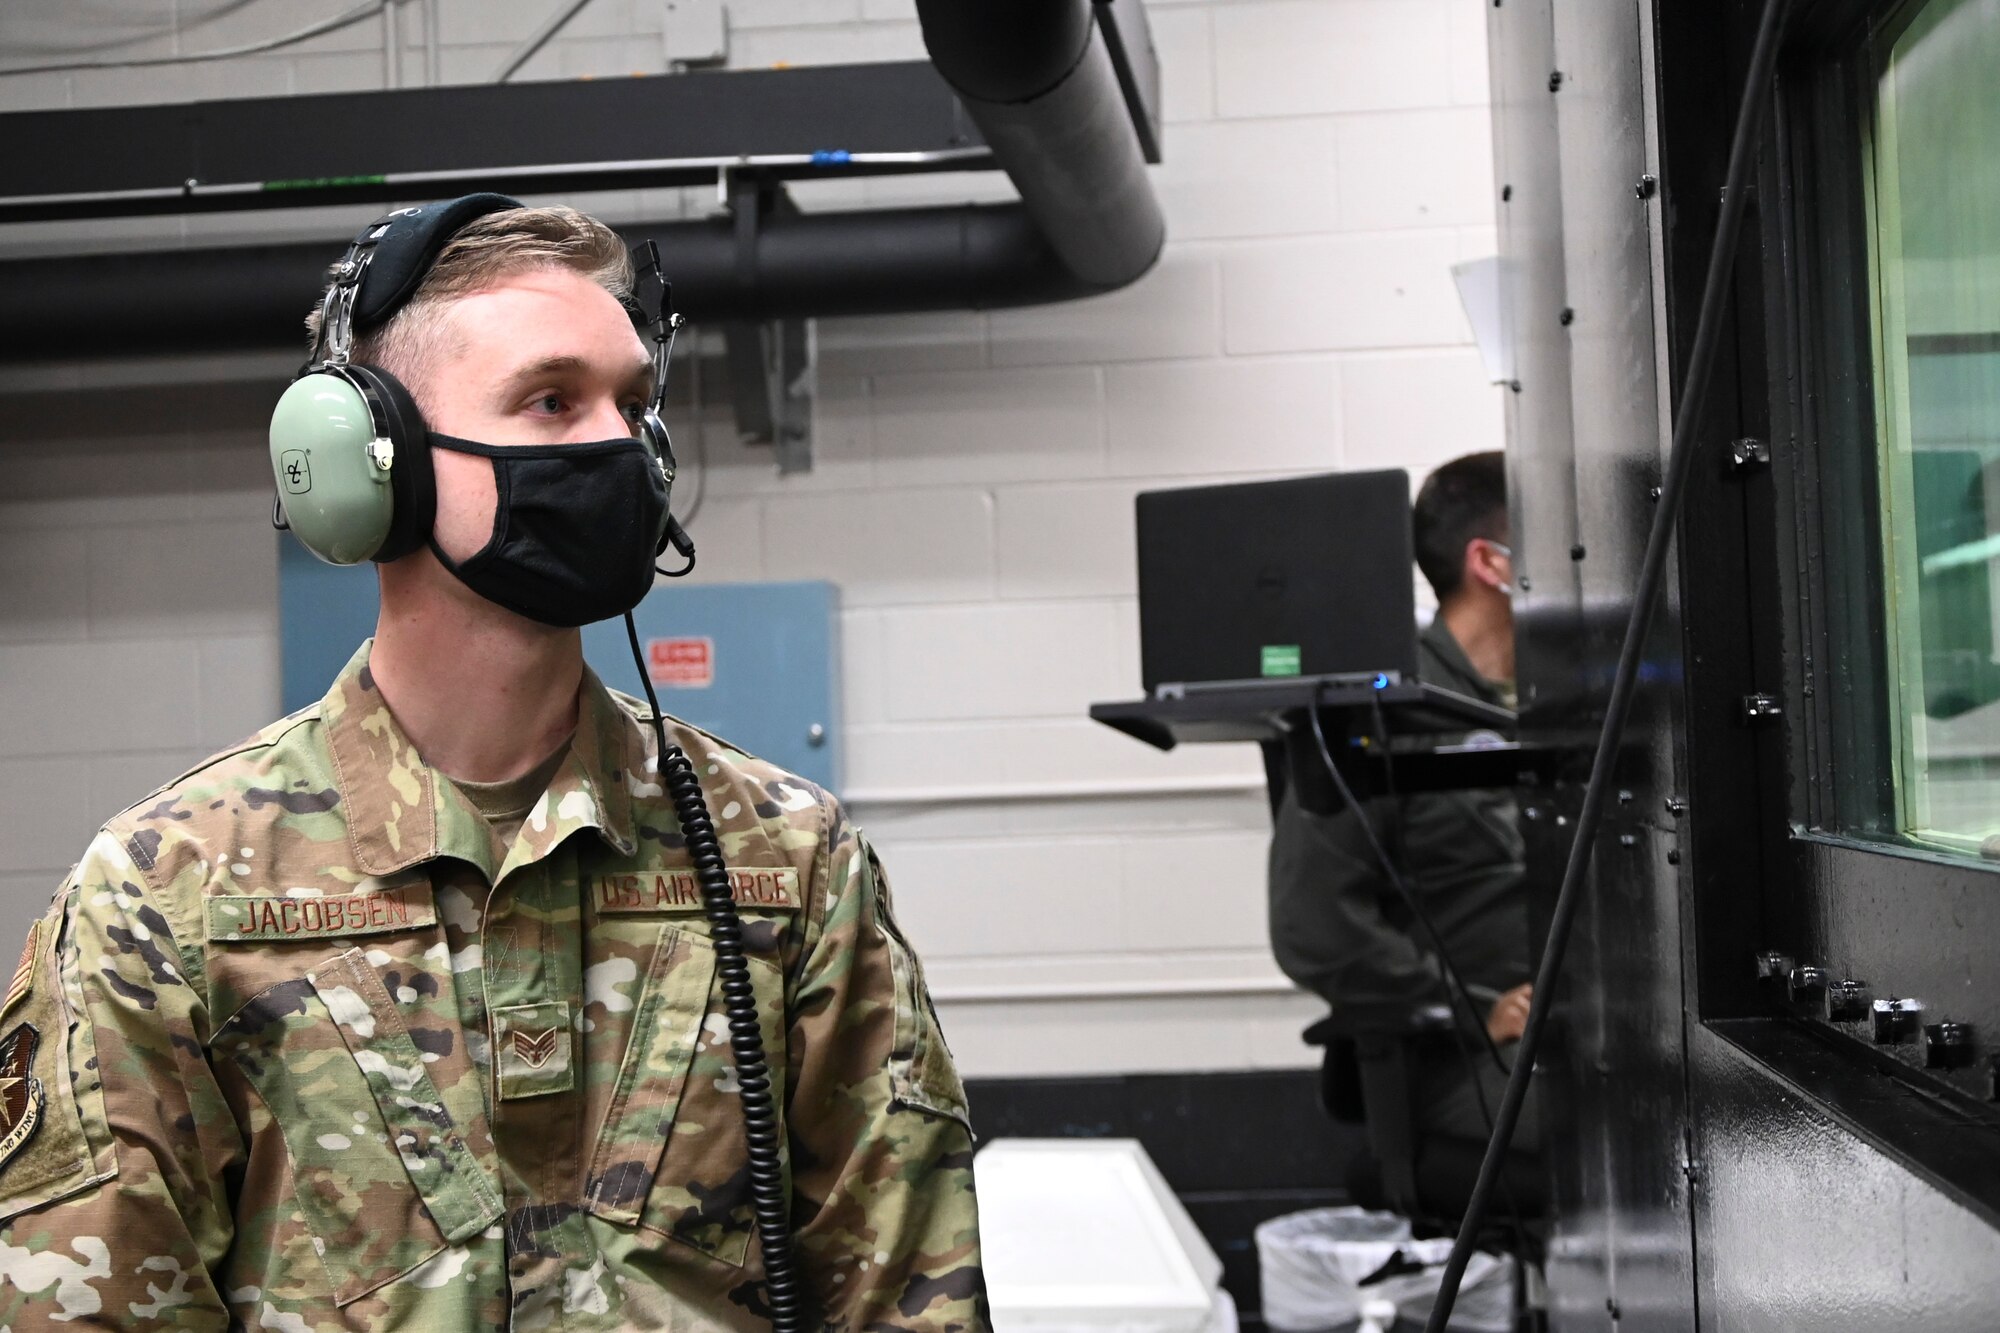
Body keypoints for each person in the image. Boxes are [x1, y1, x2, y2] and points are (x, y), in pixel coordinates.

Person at [0, 199, 985, 1329]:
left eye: (635, 403)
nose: (621, 446)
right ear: (368, 464)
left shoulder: (791, 859)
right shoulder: (172, 889)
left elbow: (909, 1296)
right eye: (553, 400)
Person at [1267, 451, 1541, 1202]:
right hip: (1463, 1063)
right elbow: (1311, 927)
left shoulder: (1544, 703)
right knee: (1666, 1128)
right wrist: (1473, 1008)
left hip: (1567, 1033)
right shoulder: (1391, 708)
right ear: (1491, 561)